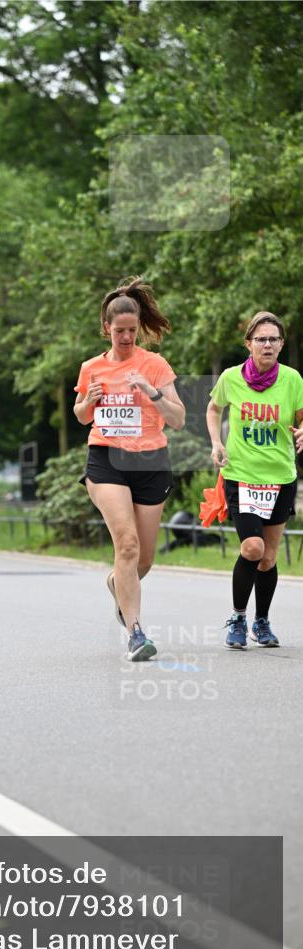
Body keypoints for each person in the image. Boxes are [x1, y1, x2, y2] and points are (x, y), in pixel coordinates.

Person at [73, 276, 185, 661]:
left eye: (132, 331)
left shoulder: (154, 365)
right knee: (127, 543)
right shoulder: (91, 367)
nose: (126, 337)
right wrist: (89, 400)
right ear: (106, 328)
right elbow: (82, 415)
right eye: (119, 331)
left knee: (144, 561)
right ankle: (136, 633)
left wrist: (151, 393)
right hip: (106, 462)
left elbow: (179, 419)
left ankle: (116, 583)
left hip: (151, 463)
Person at [206, 311, 303, 649]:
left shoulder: (293, 380)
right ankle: (237, 617)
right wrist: (217, 442)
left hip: (280, 476)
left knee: (269, 557)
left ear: (281, 344)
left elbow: (302, 417)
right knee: (252, 547)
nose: (267, 344)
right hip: (241, 475)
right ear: (248, 344)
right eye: (261, 339)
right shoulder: (231, 378)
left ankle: (261, 621)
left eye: (273, 339)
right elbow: (214, 408)